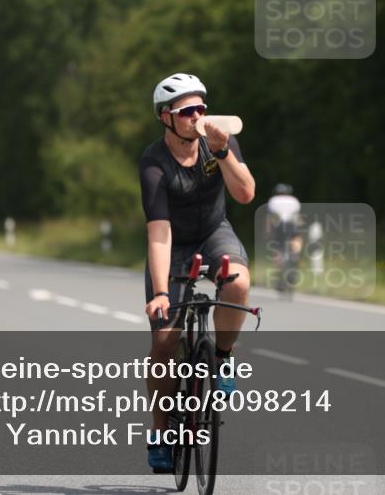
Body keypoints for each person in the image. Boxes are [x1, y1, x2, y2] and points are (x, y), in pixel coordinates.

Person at [139, 73, 256, 472]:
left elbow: (245, 194)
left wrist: (224, 154)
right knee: (166, 342)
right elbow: (158, 231)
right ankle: (159, 431)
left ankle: (221, 358)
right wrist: (160, 293)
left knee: (238, 283)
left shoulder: (219, 141)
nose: (197, 116)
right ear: (166, 117)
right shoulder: (154, 162)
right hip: (173, 242)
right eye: (187, 111)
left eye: (202, 109)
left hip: (213, 231)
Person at [265, 183, 304, 296]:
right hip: (292, 225)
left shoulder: (273, 200)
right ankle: (295, 254)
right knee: (297, 239)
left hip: (280, 226)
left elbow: (271, 219)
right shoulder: (294, 200)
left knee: (278, 250)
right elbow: (298, 218)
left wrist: (269, 233)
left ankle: (280, 277)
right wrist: (300, 233)